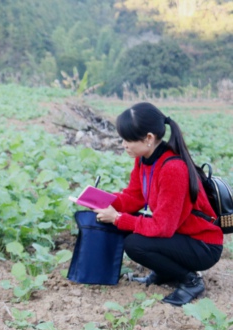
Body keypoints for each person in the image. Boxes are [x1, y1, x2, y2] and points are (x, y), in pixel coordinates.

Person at [93, 102, 223, 306]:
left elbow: (162, 227)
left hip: (202, 244)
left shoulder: (173, 168)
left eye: (128, 140)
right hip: (179, 233)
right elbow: (133, 198)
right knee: (129, 229)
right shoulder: (144, 159)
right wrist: (100, 200)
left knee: (134, 243)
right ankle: (165, 273)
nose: (123, 145)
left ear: (149, 138)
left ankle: (191, 281)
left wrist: (118, 218)